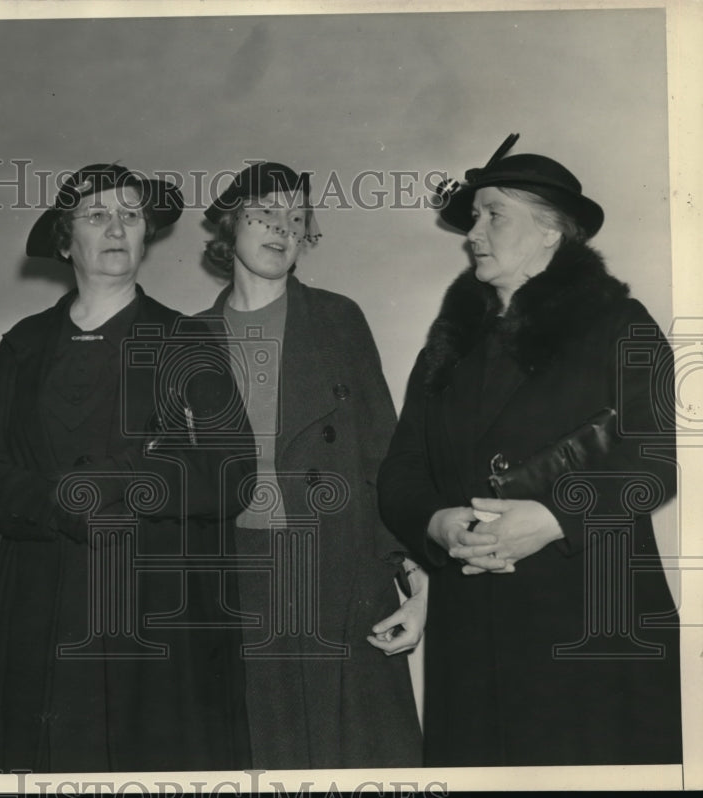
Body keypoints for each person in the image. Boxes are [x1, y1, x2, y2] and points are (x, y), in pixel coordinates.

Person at [378, 135, 682, 766]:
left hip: (591, 626)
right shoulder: (450, 345)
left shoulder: (620, 324)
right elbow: (402, 472)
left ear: (552, 234)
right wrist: (437, 522)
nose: (474, 232)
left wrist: (547, 520)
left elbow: (654, 464)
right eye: (474, 217)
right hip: (472, 632)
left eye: (495, 214)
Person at [0, 163, 255, 772]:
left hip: (152, 602)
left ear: (146, 235)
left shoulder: (185, 340)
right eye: (97, 216)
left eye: (130, 215)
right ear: (66, 241)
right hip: (41, 595)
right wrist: (57, 503)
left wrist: (117, 483)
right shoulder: (24, 344)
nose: (117, 227)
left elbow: (234, 470)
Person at [198, 161, 425, 769]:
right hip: (233, 579)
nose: (284, 227)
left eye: (297, 218)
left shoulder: (338, 319)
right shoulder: (186, 338)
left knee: (353, 757)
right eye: (266, 212)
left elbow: (386, 450)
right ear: (228, 226)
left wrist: (410, 564)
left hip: (337, 569)